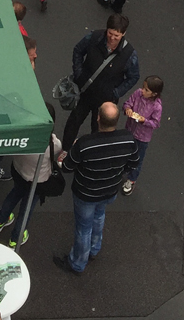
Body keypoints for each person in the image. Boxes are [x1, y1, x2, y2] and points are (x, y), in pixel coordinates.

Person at [54, 101, 140, 275]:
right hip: (110, 190)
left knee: (83, 228)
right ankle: (94, 249)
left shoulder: (85, 143)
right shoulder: (128, 139)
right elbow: (133, 163)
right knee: (99, 216)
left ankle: (77, 263)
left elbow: (68, 167)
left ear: (98, 118)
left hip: (86, 193)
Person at [62, 14, 140, 152]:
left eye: (116, 35)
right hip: (85, 91)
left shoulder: (129, 54)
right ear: (106, 29)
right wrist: (79, 74)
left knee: (98, 130)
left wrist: (115, 93)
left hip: (105, 99)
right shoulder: (93, 37)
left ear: (123, 34)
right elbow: (78, 50)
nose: (112, 38)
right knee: (74, 121)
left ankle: (91, 154)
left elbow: (133, 77)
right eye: (110, 33)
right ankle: (65, 149)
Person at [0, 102, 62, 248]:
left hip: (18, 172)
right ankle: (15, 239)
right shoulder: (52, 145)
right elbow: (57, 150)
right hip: (37, 181)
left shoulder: (22, 136)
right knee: (26, 208)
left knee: (14, 195)